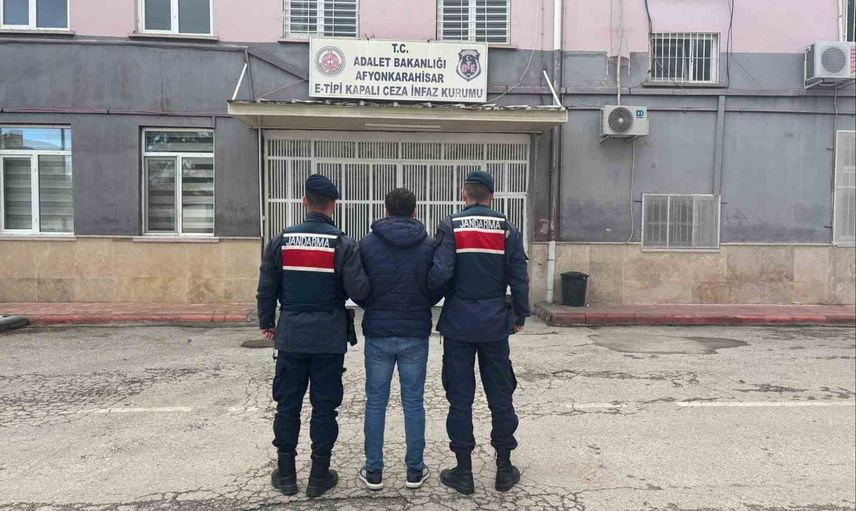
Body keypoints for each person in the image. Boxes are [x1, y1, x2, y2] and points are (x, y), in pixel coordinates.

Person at [256, 174, 370, 498]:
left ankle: (286, 475)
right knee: (324, 408)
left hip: (291, 335)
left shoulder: (280, 241)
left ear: (304, 201)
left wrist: (268, 322)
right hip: (328, 339)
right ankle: (319, 477)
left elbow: (266, 288)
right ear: (333, 205)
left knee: (287, 405)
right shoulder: (343, 244)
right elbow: (360, 292)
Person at [428, 170, 530, 495]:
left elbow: (441, 273)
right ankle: (504, 469)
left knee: (460, 397)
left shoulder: (451, 225)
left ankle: (464, 472)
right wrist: (520, 315)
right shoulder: (507, 229)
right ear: (492, 197)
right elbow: (520, 278)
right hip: (495, 324)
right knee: (500, 394)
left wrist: (427, 302)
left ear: (464, 194)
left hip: (458, 323)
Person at [353, 188, 442, 491]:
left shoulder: (367, 244)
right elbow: (437, 281)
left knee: (375, 402)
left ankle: (374, 471)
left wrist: (370, 304)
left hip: (378, 331)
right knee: (414, 403)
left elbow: (358, 286)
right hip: (415, 331)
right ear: (414, 211)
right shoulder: (428, 245)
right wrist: (425, 302)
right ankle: (414, 471)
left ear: (386, 211)